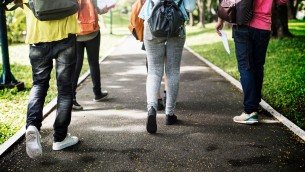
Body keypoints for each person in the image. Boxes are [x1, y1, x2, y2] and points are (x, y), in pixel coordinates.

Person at [14, 0, 80, 159]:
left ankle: (32, 125)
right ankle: (60, 138)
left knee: (39, 84)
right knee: (65, 89)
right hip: (66, 34)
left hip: (38, 36)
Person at [216, 0, 288, 124]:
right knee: (258, 67)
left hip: (242, 25)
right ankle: (255, 104)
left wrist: (220, 20)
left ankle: (250, 111)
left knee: (246, 67)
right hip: (263, 27)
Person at [139, 0, 196, 133]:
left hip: (152, 23)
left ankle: (151, 108)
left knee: (153, 71)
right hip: (176, 26)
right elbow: (190, 7)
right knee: (172, 71)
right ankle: (169, 114)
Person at [72, 0, 113, 110]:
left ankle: (71, 98)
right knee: (93, 63)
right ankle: (97, 93)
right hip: (92, 31)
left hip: (75, 30)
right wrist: (102, 10)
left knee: (76, 64)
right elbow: (96, 8)